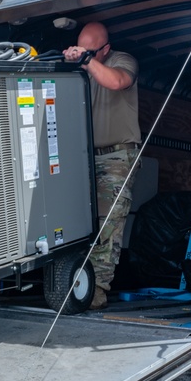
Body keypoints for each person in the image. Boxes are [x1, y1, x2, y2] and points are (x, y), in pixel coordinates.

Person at [63, 22, 140, 310]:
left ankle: (96, 291)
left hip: (117, 158)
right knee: (74, 223)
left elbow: (116, 81)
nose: (82, 53)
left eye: (90, 50)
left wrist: (85, 60)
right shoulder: (83, 65)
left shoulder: (121, 60)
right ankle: (73, 285)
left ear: (105, 49)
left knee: (107, 226)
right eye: (79, 46)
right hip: (82, 157)